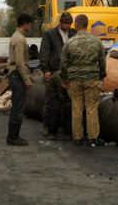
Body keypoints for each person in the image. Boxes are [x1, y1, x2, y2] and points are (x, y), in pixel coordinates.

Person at [60, 14, 106, 147]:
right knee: (91, 108)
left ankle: (77, 137)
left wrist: (65, 78)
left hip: (74, 79)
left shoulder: (70, 42)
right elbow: (102, 61)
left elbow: (64, 63)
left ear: (76, 25)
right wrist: (101, 75)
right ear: (87, 25)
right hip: (92, 78)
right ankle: (93, 138)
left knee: (76, 108)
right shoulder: (96, 41)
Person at [39, 11, 76, 140]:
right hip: (53, 71)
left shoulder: (72, 34)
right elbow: (44, 52)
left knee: (67, 102)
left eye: (70, 24)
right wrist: (46, 69)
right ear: (61, 23)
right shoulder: (50, 34)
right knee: (51, 101)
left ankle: (67, 128)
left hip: (67, 72)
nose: (69, 26)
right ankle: (50, 130)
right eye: (67, 24)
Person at [6, 12, 34, 146]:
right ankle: (13, 137)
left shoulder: (17, 37)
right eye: (30, 24)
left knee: (17, 106)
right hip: (17, 75)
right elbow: (19, 62)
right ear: (25, 24)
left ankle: (13, 136)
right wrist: (27, 80)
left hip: (16, 75)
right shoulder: (19, 39)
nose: (30, 27)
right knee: (18, 107)